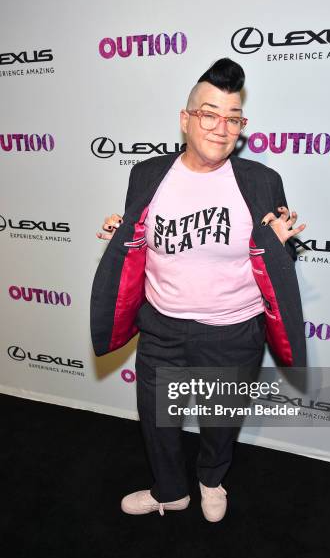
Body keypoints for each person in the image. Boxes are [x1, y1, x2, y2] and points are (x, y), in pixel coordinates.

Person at [90, 58, 306, 523]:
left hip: (233, 330)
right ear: (186, 119)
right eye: (209, 113)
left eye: (233, 117)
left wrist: (282, 246)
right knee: (157, 419)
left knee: (220, 420)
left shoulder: (261, 182)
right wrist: (123, 234)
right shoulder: (147, 174)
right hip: (161, 326)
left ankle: (211, 480)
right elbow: (141, 236)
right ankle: (170, 491)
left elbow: (276, 259)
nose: (222, 127)